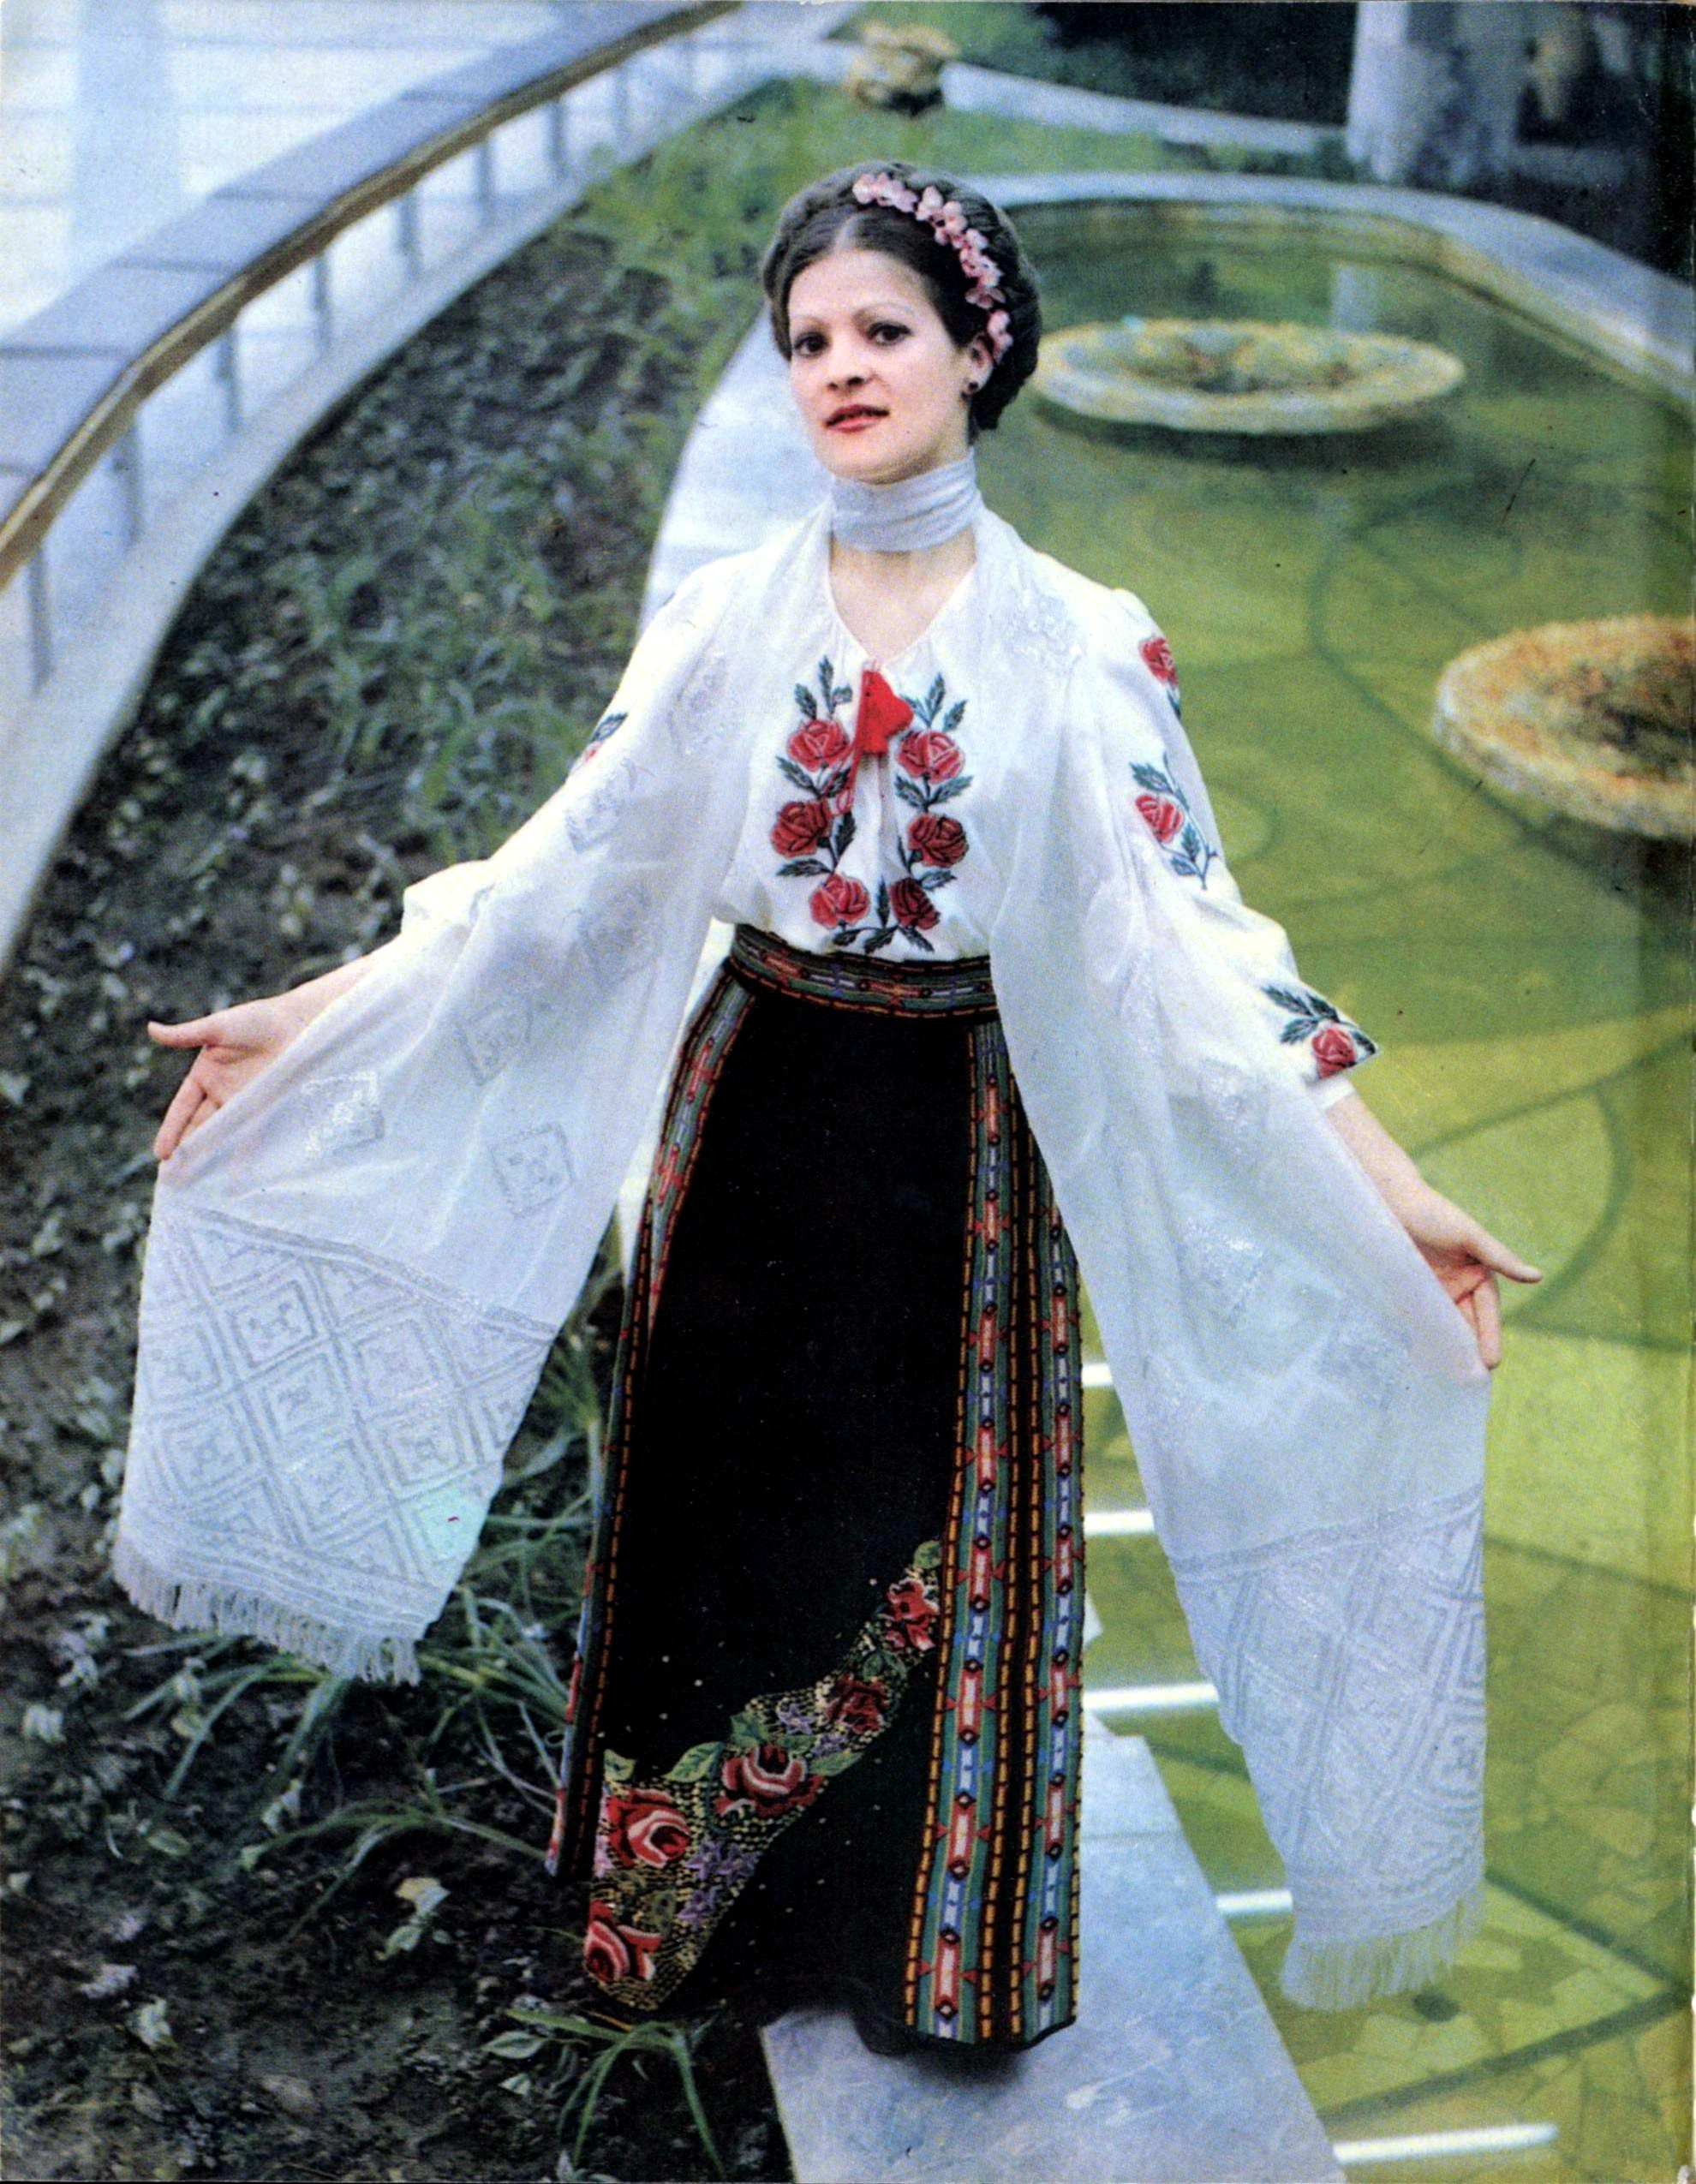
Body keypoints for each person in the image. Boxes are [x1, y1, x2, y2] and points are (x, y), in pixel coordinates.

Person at [122, 160, 1541, 2060]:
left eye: (883, 331)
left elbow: (1204, 952)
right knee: (723, 1508)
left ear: (977, 352)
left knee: (934, 1526)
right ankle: (687, 1923)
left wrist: (1394, 1192)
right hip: (755, 1108)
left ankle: (920, 1965)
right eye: (807, 341)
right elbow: (562, 875)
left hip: (960, 1133)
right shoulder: (727, 619)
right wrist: (312, 1020)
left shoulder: (1082, 641)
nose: (840, 370)